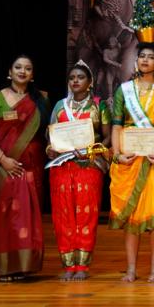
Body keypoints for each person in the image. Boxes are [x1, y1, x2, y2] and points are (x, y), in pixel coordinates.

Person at [109, 42, 154, 283]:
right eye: (142, 56)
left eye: (150, 57)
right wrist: (118, 154)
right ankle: (131, 269)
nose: (145, 60)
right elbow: (116, 125)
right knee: (133, 217)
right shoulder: (124, 90)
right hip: (131, 159)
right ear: (136, 60)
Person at [0, 54, 49, 282]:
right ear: (9, 72)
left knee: (28, 217)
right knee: (7, 217)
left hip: (33, 167)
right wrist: (2, 159)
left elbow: (48, 132)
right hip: (6, 167)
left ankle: (26, 266)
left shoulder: (41, 100)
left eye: (27, 68)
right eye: (18, 67)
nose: (22, 71)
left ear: (32, 75)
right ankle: (6, 268)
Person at [46, 61, 109, 281]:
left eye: (80, 77)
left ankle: (82, 265)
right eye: (72, 77)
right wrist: (50, 148)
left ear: (90, 82)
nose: (75, 81)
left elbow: (107, 137)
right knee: (63, 215)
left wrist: (92, 151)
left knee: (86, 213)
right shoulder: (59, 106)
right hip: (62, 166)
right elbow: (50, 135)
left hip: (89, 166)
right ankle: (68, 264)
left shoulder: (99, 106)